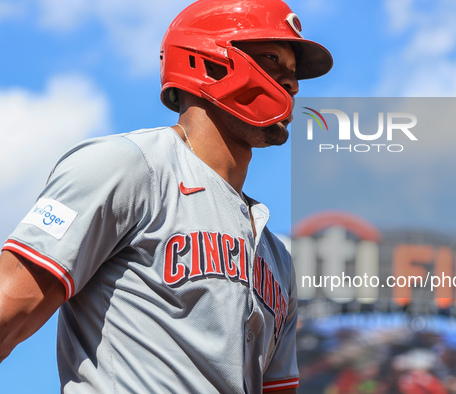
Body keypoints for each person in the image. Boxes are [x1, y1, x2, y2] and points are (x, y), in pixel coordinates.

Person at [0, 0, 332, 392]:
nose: (291, 85)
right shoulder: (127, 167)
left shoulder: (276, 257)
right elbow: (9, 310)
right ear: (209, 62)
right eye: (271, 60)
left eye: (293, 74)